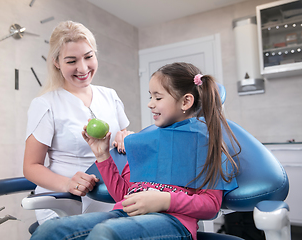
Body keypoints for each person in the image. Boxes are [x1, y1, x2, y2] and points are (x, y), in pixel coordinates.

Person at [30, 62, 241, 240]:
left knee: (106, 233)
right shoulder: (143, 142)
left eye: (158, 98)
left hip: (174, 222)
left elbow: (211, 205)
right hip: (125, 214)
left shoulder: (207, 144)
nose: (150, 104)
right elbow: (124, 194)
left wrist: (163, 200)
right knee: (50, 230)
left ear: (186, 101)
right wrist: (102, 154)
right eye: (150, 96)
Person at [23, 21, 131, 225]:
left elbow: (120, 142)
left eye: (88, 57)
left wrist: (125, 138)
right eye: (71, 61)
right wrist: (67, 184)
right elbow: (31, 166)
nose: (83, 68)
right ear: (56, 62)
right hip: (65, 203)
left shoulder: (110, 96)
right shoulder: (46, 104)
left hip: (112, 197)